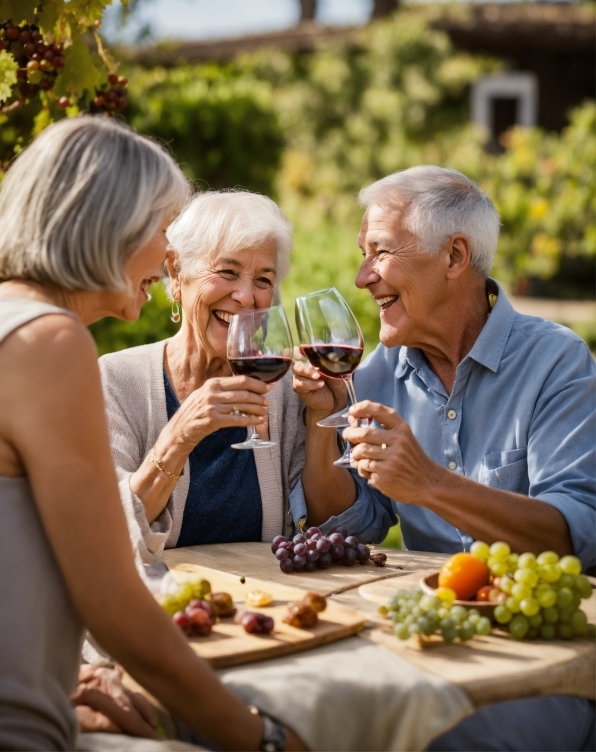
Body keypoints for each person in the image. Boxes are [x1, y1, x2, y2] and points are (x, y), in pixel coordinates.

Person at [0, 116, 303, 752]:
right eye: (163, 228)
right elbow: (114, 604)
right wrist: (261, 739)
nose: (169, 254)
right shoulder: (50, 343)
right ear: (108, 225)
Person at [293, 165, 595, 751]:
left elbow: (574, 537)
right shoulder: (378, 374)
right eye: (363, 254)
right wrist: (316, 427)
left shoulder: (557, 363)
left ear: (455, 256)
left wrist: (428, 483)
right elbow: (354, 523)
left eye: (379, 252)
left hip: (542, 661)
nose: (361, 278)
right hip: (429, 641)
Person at [99, 191, 307, 565]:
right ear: (177, 273)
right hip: (159, 610)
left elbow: (321, 529)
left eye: (263, 280)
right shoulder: (116, 380)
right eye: (227, 272)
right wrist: (179, 436)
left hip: (266, 609)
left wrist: (327, 421)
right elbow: (104, 536)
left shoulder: (285, 390)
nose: (246, 297)